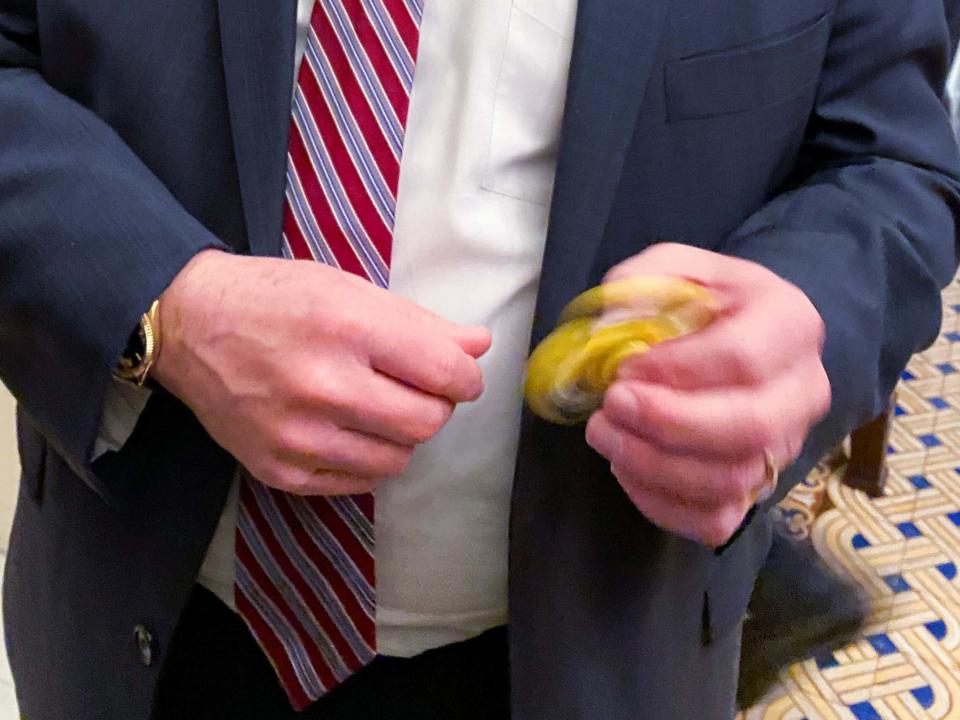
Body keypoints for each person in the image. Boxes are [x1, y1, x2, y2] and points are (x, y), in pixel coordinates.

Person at [1, 2, 958, 719]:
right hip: (142, 615)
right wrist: (165, 305)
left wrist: (812, 315)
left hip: (590, 645)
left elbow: (892, 165)